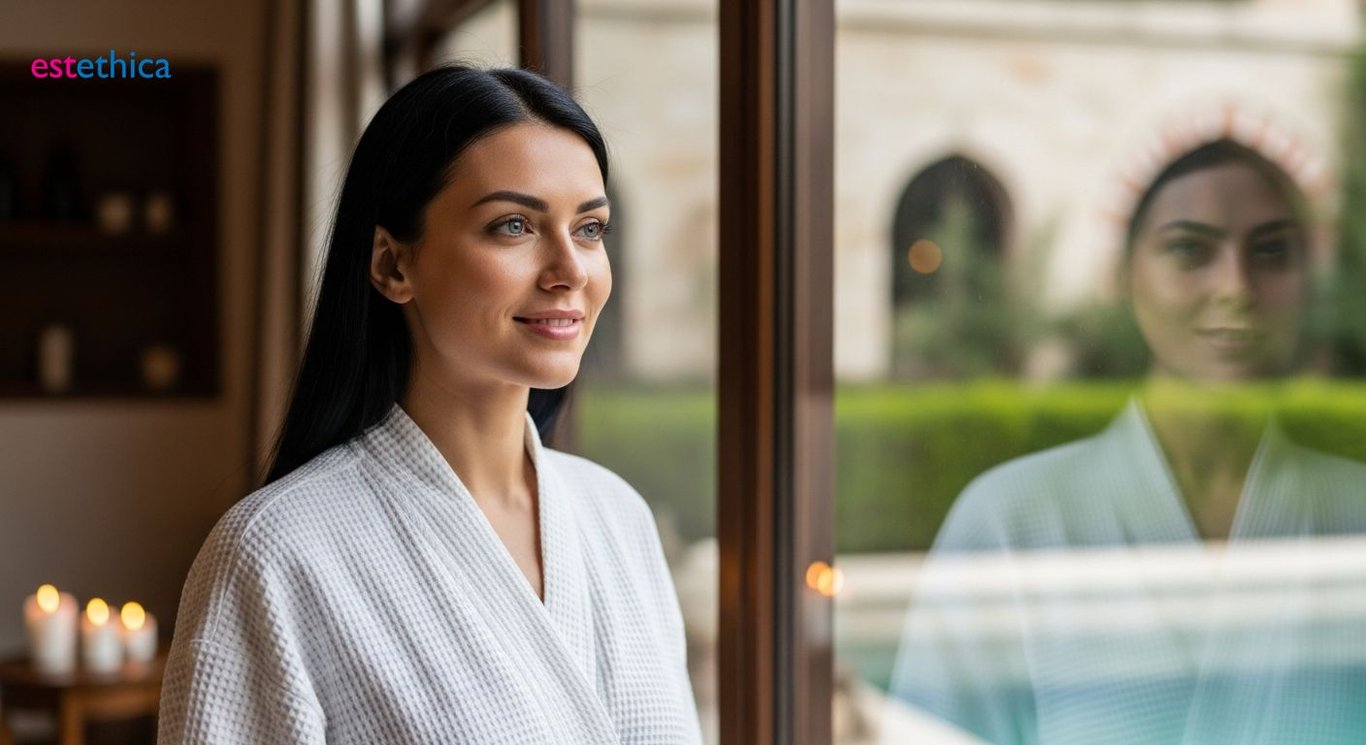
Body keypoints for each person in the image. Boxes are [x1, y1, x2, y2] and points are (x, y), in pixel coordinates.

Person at [158, 65, 702, 744]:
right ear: (392, 264)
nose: (570, 270)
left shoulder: (618, 518)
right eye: (513, 225)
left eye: (590, 229)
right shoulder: (276, 552)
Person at [883, 140, 1366, 745]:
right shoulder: (1011, 520)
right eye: (1189, 250)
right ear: (1121, 276)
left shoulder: (1356, 519)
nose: (1235, 286)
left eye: (1271, 252)